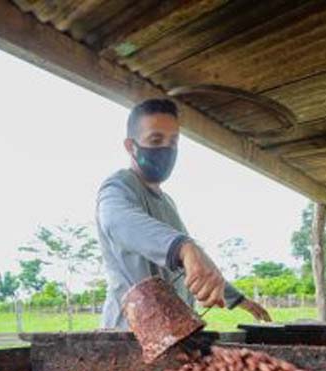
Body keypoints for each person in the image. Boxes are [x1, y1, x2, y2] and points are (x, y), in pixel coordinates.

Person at [95, 98, 272, 329]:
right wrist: (184, 247)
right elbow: (118, 221)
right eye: (156, 140)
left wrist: (239, 300)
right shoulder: (118, 187)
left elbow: (192, 264)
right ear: (131, 146)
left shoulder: (167, 203)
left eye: (173, 142)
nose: (166, 150)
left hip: (172, 331)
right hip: (129, 335)